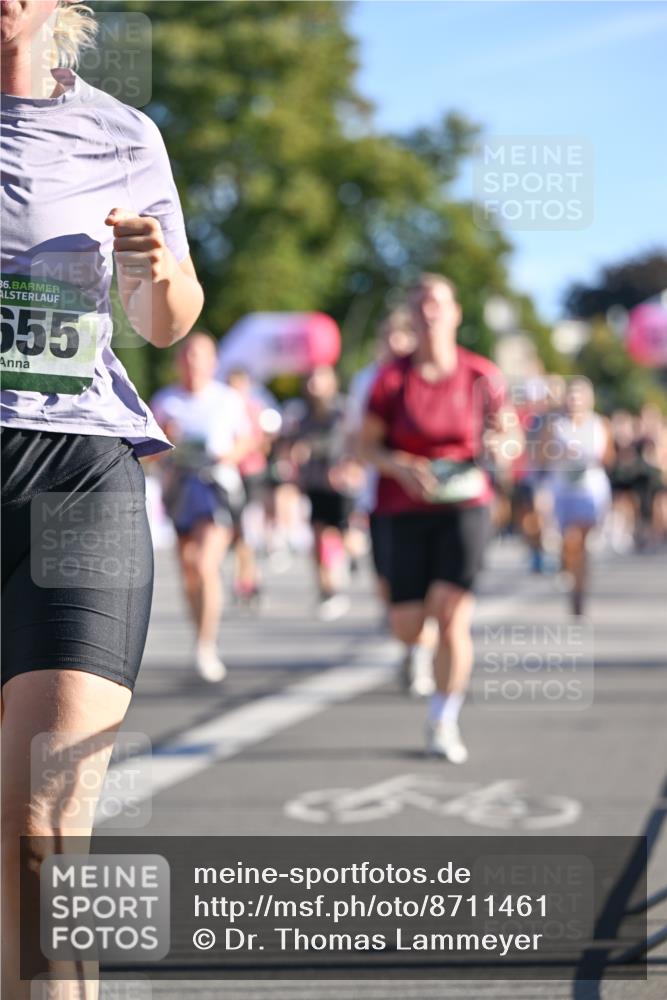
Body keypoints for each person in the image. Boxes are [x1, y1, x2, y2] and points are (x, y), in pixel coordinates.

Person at [0, 2, 203, 996]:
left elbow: (166, 319)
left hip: (77, 474)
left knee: (41, 826)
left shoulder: (122, 133)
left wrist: (157, 271)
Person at [361, 273, 517, 762]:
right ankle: (413, 650)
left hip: (465, 504)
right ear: (413, 315)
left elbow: (510, 438)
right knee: (408, 622)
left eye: (438, 302)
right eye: (420, 303)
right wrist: (400, 465)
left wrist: (500, 445)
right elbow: (364, 445)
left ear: (455, 314)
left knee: (452, 615)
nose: (429, 310)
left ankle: (443, 719)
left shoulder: (480, 376)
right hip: (401, 507)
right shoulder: (391, 379)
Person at [151, 334, 252, 680]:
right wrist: (167, 437)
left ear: (213, 362)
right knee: (188, 569)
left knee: (205, 563)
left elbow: (248, 440)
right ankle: (200, 634)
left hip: (216, 487)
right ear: (179, 361)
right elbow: (151, 451)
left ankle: (206, 645)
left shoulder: (227, 399)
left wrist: (228, 456)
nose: (193, 362)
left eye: (200, 356)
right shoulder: (167, 400)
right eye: (187, 356)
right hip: (180, 488)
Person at [348, 308, 437, 695]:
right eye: (390, 341)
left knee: (433, 583)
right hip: (380, 497)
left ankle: (422, 651)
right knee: (388, 579)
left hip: (428, 497)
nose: (397, 348)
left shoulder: (427, 377)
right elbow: (353, 433)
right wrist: (347, 462)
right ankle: (408, 639)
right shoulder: (368, 380)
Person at [286, 365, 362, 621]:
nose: (313, 383)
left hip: (341, 484)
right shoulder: (302, 414)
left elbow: (353, 441)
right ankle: (328, 591)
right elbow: (292, 444)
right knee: (318, 537)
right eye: (310, 378)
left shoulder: (343, 410)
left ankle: (351, 558)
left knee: (346, 536)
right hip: (315, 484)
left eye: (319, 377)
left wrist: (351, 466)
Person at [549, 378, 613, 616]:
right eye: (571, 395)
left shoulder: (599, 424)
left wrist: (588, 458)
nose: (575, 400)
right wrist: (562, 454)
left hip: (590, 489)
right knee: (569, 541)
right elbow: (544, 455)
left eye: (580, 395)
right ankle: (570, 570)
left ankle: (579, 590)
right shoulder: (556, 425)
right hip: (564, 489)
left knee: (581, 540)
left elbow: (609, 458)